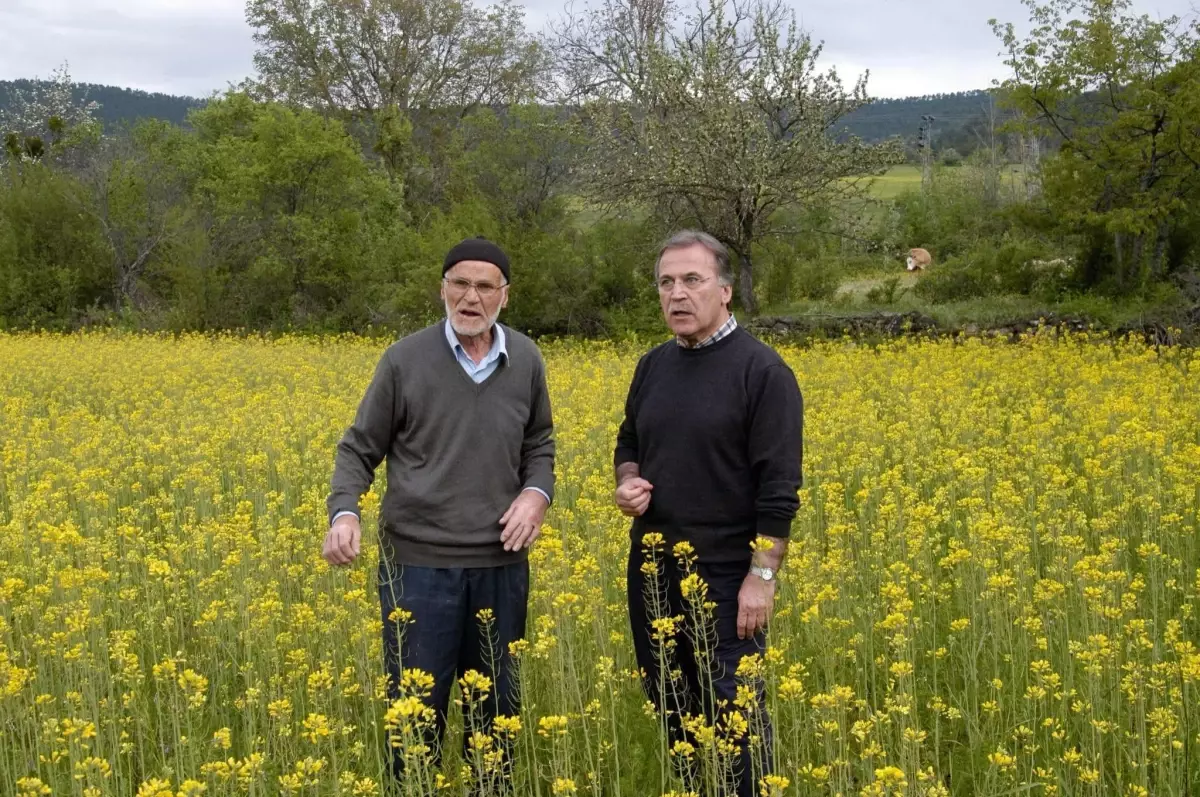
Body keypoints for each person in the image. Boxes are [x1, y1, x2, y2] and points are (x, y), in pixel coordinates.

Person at [323, 237, 555, 787]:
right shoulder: (404, 360)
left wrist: (536, 495)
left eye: (484, 285)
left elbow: (539, 442)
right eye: (459, 283)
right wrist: (344, 513)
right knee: (415, 714)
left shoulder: (525, 359)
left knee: (496, 715)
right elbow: (358, 448)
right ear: (442, 288)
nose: (469, 297)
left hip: (502, 565)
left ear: (505, 295)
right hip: (418, 567)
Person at [613, 230, 803, 797]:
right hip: (653, 572)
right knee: (675, 709)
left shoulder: (763, 373)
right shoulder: (652, 366)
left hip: (725, 577)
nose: (677, 294)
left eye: (692, 280)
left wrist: (762, 578)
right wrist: (627, 483)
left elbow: (779, 490)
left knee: (735, 718)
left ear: (725, 290)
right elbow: (629, 442)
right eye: (667, 282)